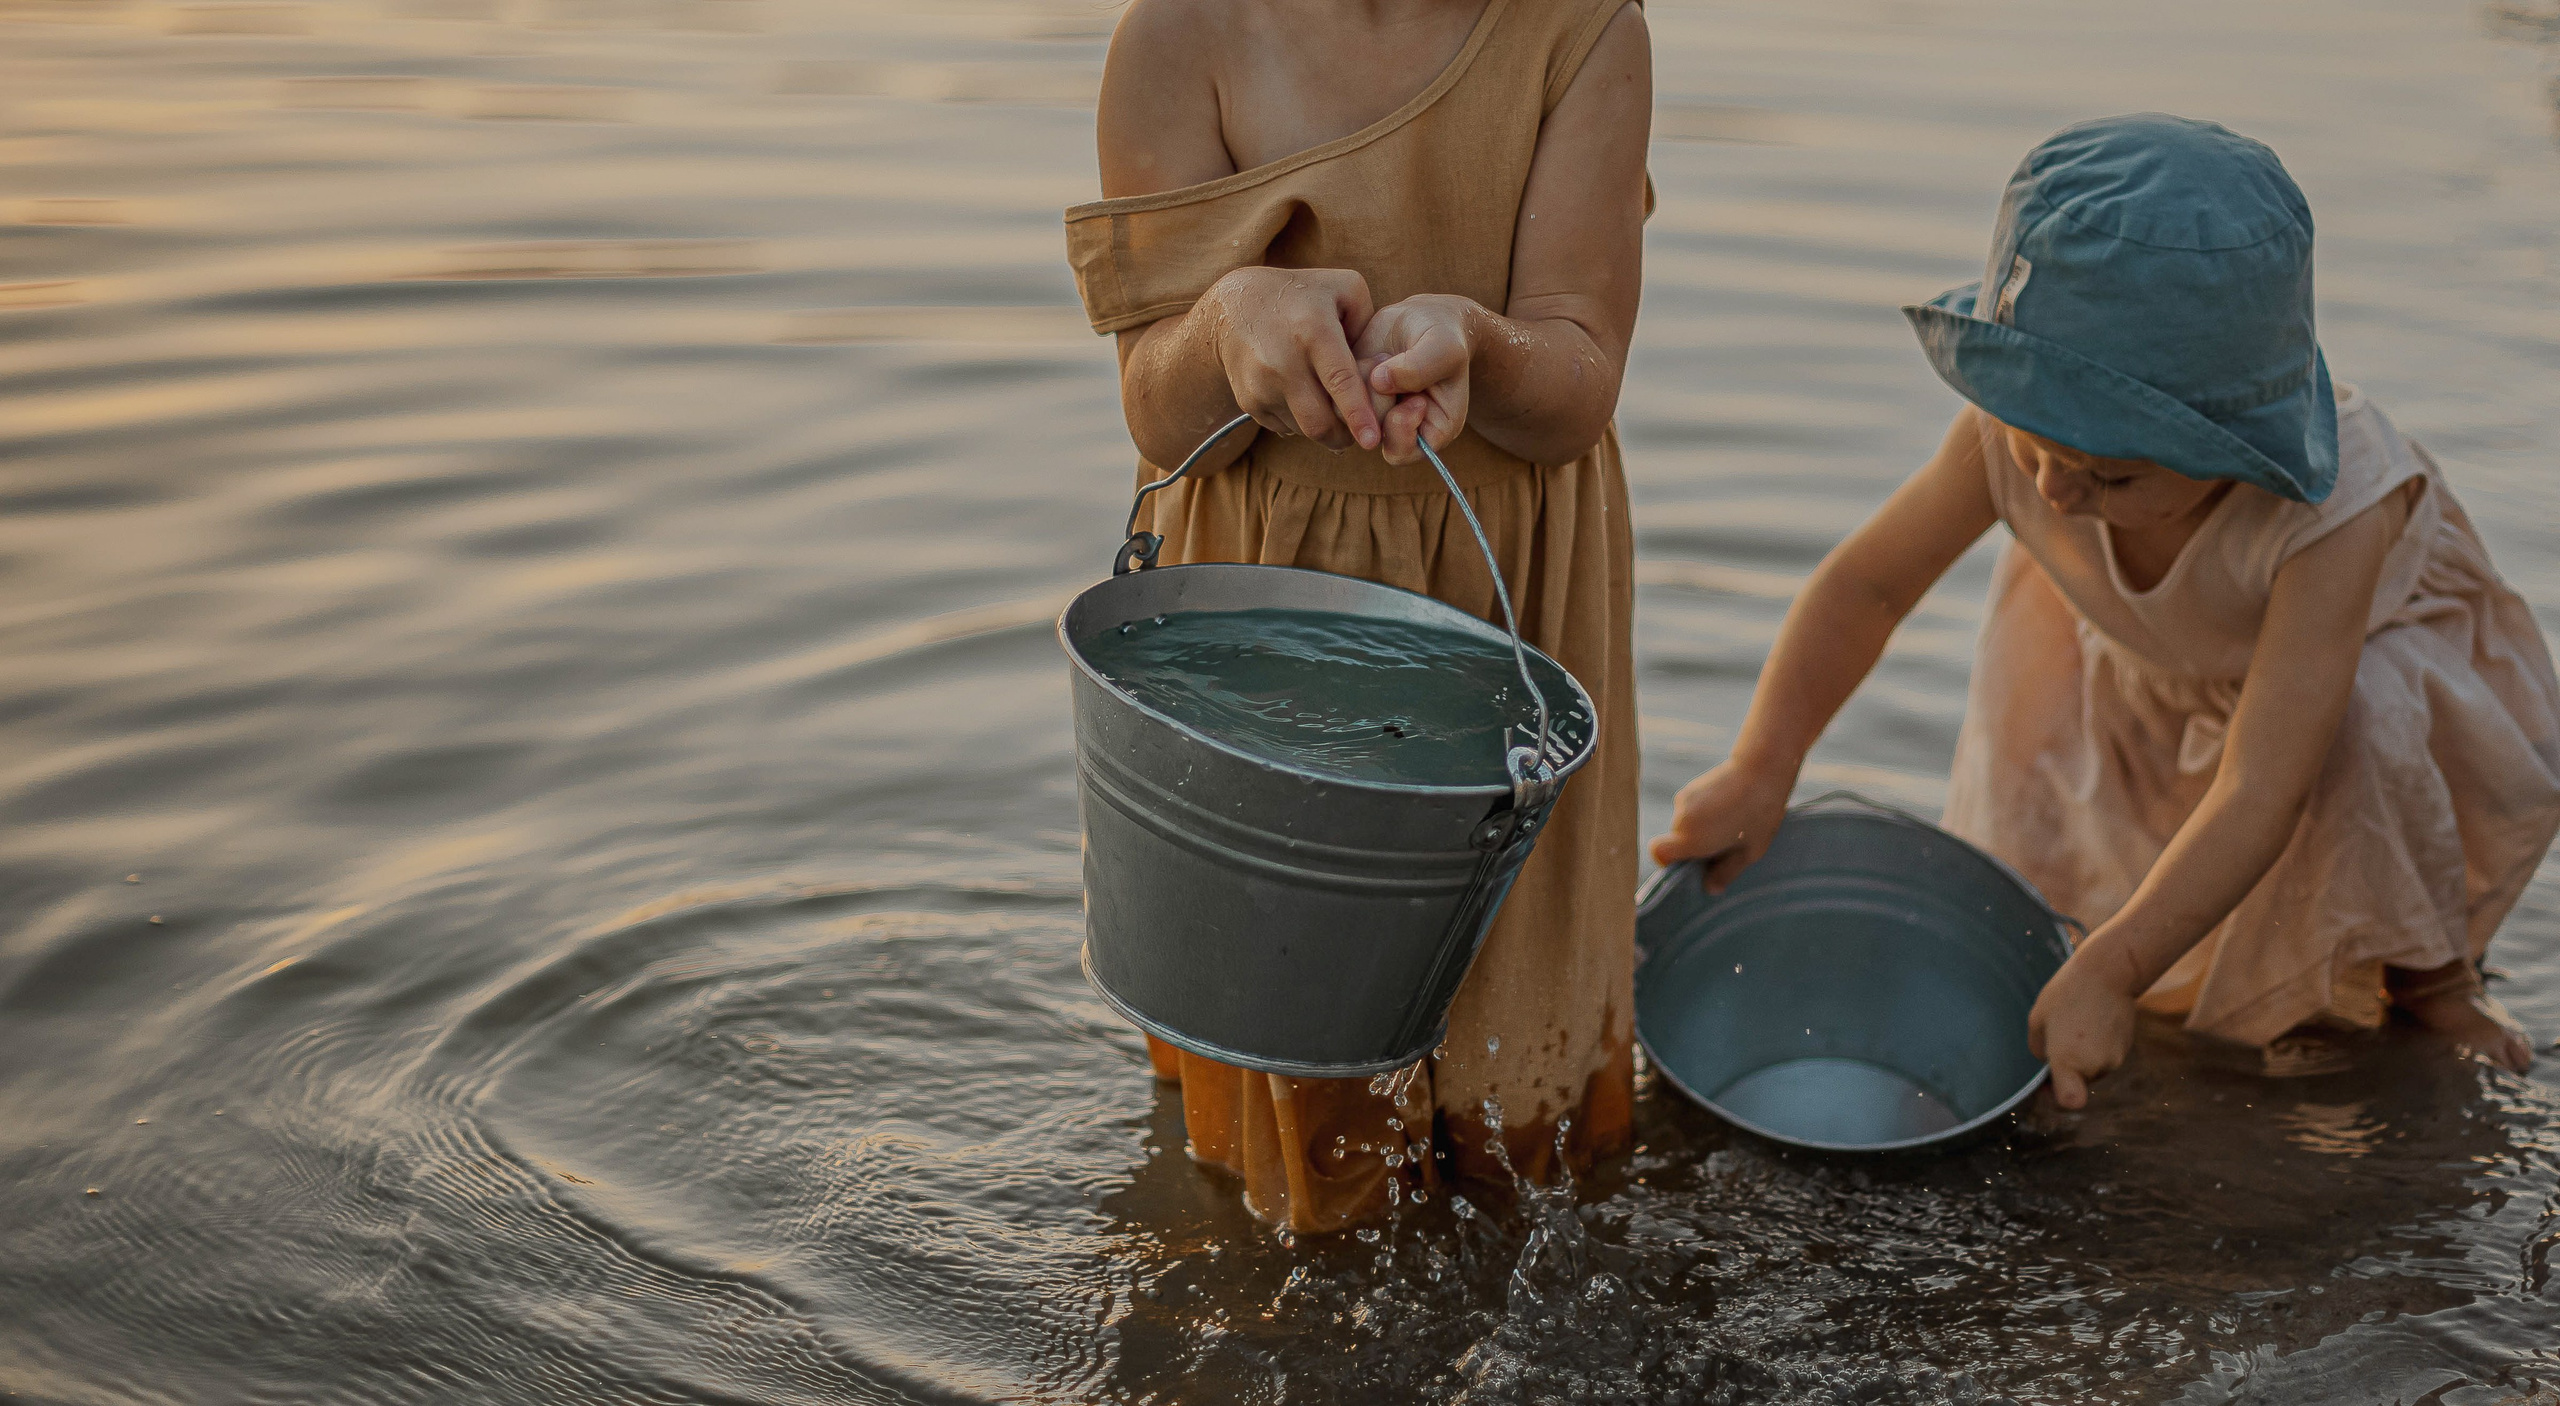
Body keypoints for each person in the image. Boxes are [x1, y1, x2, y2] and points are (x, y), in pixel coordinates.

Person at [1650, 114, 2560, 1107]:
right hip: (2133, 655)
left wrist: (2118, 968)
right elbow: (1867, 587)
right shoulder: (2020, 442)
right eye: (2034, 446)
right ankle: (2105, 958)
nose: (2052, 492)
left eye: (2109, 475)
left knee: (2360, 741)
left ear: (2230, 447)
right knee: (2084, 895)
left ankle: (2434, 981)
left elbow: (2264, 784)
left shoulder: (2330, 518)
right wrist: (1763, 762)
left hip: (2331, 693)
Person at [1063, 0, 1651, 1232]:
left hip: (1509, 590)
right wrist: (1227, 328)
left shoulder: (1580, 30)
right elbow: (1157, 416)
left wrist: (1477, 347)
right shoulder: (1177, 40)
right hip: (1268, 597)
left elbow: (1580, 369)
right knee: (1292, 1059)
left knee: (1515, 1071)